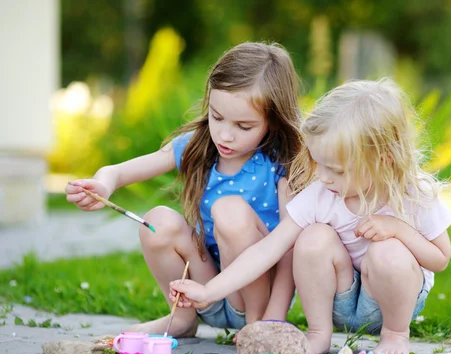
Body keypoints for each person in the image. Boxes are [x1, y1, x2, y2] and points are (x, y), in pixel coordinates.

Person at [168, 78, 451, 354]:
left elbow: (440, 258)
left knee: (387, 250)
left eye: (337, 170)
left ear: (384, 161)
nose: (323, 176)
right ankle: (319, 333)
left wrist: (397, 230)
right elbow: (267, 250)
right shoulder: (321, 194)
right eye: (319, 164)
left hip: (392, 301)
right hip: (338, 298)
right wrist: (208, 291)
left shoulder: (414, 193)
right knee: (313, 236)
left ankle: (394, 335)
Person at [65, 42, 303, 337]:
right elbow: (120, 171)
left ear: (273, 120)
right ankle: (182, 319)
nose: (225, 135)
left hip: (258, 295)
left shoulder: (281, 163)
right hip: (207, 288)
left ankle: (255, 326)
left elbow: (290, 245)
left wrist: (273, 318)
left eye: (244, 126)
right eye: (217, 117)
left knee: (230, 211)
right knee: (158, 221)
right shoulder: (199, 144)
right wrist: (103, 184)